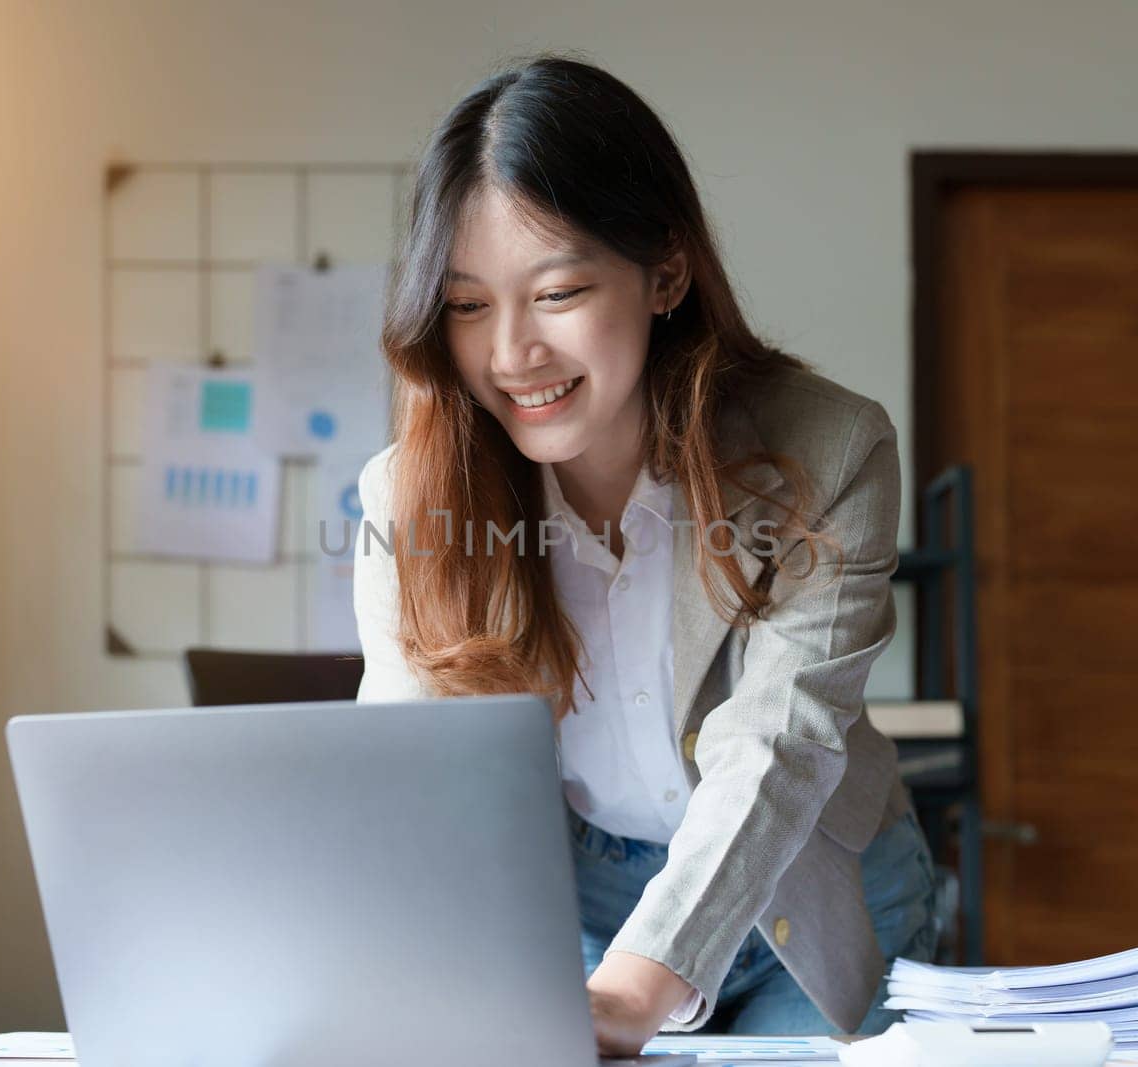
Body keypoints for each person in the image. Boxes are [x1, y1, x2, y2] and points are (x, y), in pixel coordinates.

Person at [351, 53, 938, 1057]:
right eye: (467, 304)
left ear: (664, 270)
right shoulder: (408, 494)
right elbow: (411, 773)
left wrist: (631, 991)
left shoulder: (831, 451)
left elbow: (776, 743)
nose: (512, 354)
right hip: (578, 896)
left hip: (818, 882)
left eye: (559, 291)